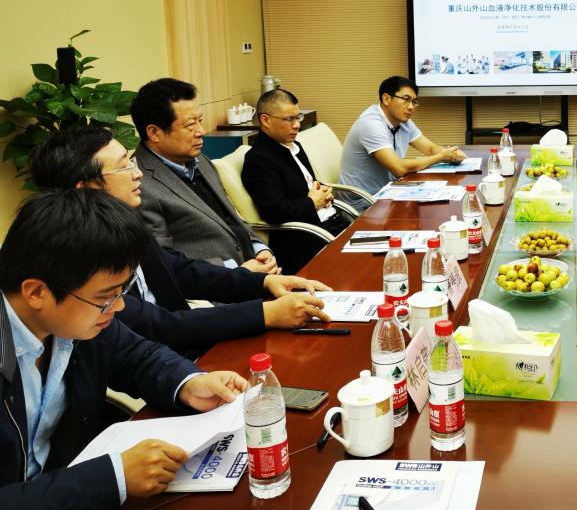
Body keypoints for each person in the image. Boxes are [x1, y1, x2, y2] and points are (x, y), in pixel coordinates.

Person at [0, 189, 247, 508]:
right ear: (36, 292)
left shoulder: (74, 321)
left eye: (121, 292)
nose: (118, 307)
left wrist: (191, 384)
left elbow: (137, 357)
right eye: (106, 297)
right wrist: (112, 477)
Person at [30, 126, 331, 359]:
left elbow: (179, 270)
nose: (138, 174)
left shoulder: (123, 221)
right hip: (158, 361)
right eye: (124, 167)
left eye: (132, 161)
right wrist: (266, 313)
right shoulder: (76, 254)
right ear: (86, 188)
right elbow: (157, 325)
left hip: (180, 351)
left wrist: (263, 284)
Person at [130, 78, 280, 273]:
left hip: (254, 270)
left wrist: (260, 248)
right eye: (190, 125)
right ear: (154, 133)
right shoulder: (137, 184)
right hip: (217, 286)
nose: (201, 131)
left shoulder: (200, 161)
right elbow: (162, 262)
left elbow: (231, 219)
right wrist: (236, 271)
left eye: (199, 121)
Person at [241, 89, 351, 272]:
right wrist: (312, 202)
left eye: (298, 117)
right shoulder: (259, 159)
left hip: (332, 223)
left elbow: (305, 185)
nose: (297, 125)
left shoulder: (293, 146)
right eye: (289, 119)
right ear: (266, 120)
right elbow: (274, 212)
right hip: (308, 238)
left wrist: (323, 193)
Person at [340, 76, 466, 208]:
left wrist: (451, 154)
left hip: (389, 192)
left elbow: (429, 148)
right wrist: (440, 157)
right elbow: (399, 168)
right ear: (386, 99)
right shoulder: (371, 124)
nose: (411, 107)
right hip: (363, 202)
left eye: (414, 102)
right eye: (406, 100)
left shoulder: (403, 121)